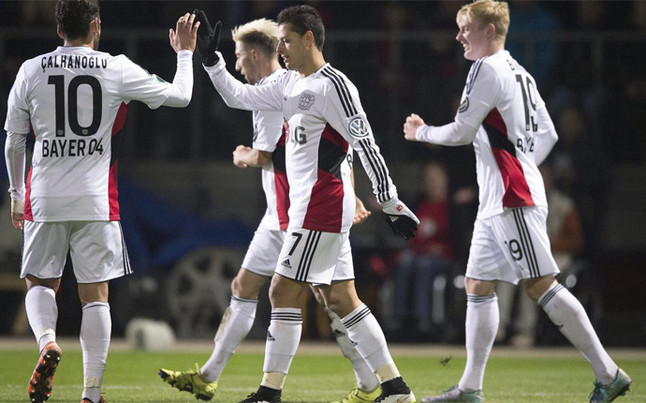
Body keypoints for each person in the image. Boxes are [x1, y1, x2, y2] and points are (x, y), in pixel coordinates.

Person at [402, 1, 631, 402]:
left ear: (490, 30)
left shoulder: (485, 69)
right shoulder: (520, 73)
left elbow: (460, 131)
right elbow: (550, 135)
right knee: (477, 284)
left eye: (465, 29)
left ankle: (608, 372)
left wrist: (421, 132)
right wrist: (523, 164)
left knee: (541, 284)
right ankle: (470, 388)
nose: (458, 37)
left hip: (512, 197)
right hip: (502, 196)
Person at [193, 5, 419, 403]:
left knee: (282, 292)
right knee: (342, 299)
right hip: (308, 207)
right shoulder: (288, 84)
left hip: (322, 205)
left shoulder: (335, 85)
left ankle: (268, 393)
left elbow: (365, 143)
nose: (280, 48)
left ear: (309, 38)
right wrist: (212, 62)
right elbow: (240, 96)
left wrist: (390, 201)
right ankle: (395, 388)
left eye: (286, 40)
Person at [156, 17, 381, 403]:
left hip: (299, 215)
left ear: (257, 54)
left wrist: (251, 154)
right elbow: (331, 149)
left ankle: (366, 382)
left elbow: (311, 150)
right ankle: (212, 376)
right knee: (253, 288)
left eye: (241, 57)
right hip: (286, 214)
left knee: (330, 299)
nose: (240, 65)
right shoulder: (288, 86)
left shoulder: (291, 90)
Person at [3, 1, 199, 402]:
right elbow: (181, 96)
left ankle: (46, 342)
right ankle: (91, 393)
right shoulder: (117, 67)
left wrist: (17, 195)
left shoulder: (30, 70)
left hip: (45, 197)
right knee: (96, 295)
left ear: (59, 29)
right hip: (96, 201)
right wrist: (183, 54)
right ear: (95, 26)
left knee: (40, 282)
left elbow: (13, 140)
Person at [391, 161, 455, 339]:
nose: (431, 182)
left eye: (435, 178)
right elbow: (412, 236)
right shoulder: (419, 204)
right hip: (419, 253)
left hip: (444, 257)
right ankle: (399, 319)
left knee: (424, 265)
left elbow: (458, 239)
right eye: (427, 179)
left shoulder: (451, 206)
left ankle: (423, 320)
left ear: (445, 180)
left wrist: (440, 248)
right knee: (404, 263)